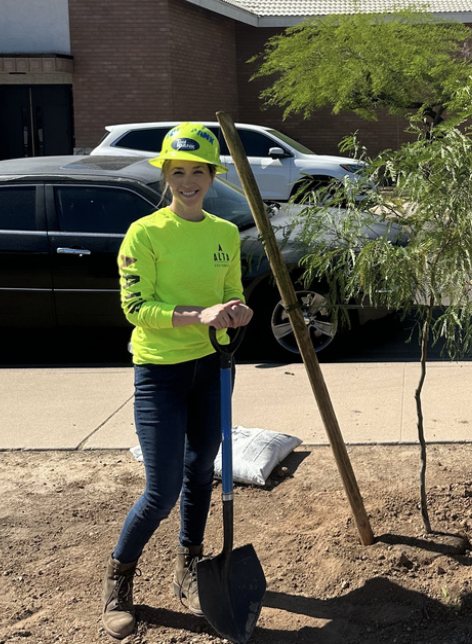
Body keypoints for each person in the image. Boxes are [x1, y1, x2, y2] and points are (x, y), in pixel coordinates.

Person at [101, 122, 253, 639]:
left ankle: (188, 563)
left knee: (201, 472)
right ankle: (118, 579)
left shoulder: (225, 232)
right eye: (178, 171)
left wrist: (236, 311)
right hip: (160, 373)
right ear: (166, 176)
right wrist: (201, 314)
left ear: (212, 176)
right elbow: (136, 308)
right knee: (161, 491)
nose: (188, 181)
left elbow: (231, 291)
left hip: (212, 368)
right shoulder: (144, 233)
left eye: (198, 172)